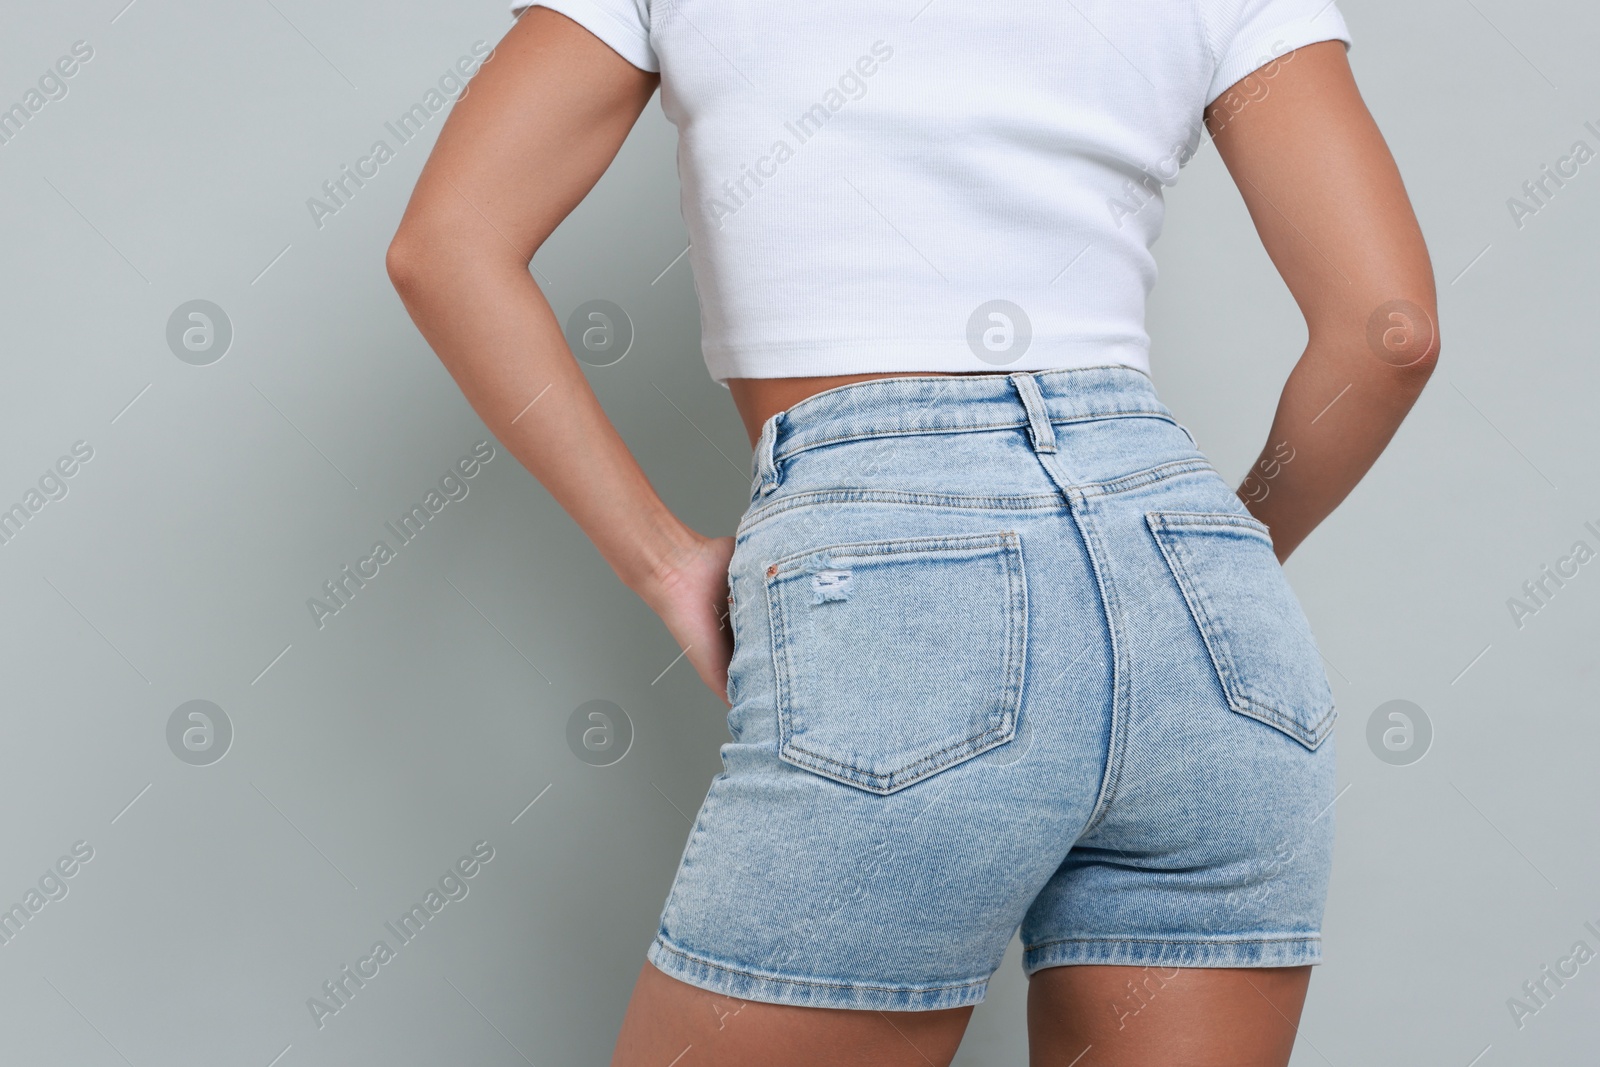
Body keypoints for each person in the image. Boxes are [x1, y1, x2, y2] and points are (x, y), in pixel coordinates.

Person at [385, 0, 1438, 1062]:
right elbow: (1387, 332)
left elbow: (446, 246)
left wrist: (663, 562)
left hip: (893, 569)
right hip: (1195, 582)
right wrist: (1212, 561)